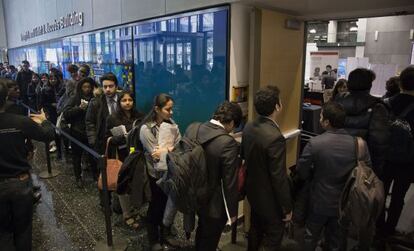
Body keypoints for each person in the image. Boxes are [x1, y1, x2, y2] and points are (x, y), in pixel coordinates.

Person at [296, 102, 372, 251]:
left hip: (319, 200)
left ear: (327, 122)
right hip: (345, 203)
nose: (319, 119)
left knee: (310, 237)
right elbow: (367, 170)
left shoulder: (315, 143)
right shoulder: (359, 144)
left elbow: (302, 171)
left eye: (321, 116)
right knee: (337, 240)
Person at [0, 79, 55, 251]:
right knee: (23, 230)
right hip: (19, 182)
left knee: (2, 232)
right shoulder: (19, 121)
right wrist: (44, 120)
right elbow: (48, 135)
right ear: (5, 97)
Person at [242, 86, 293, 250]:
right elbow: (279, 177)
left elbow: (245, 156)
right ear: (277, 106)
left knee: (255, 228)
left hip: (253, 192)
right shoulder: (275, 137)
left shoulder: (249, 126)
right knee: (273, 236)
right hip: (269, 199)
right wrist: (286, 208)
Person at [193, 101, 242, 251]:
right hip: (214, 203)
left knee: (201, 229)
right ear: (232, 122)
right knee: (211, 237)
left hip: (194, 192)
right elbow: (230, 182)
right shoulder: (228, 143)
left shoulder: (195, 128)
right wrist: (233, 213)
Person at [139, 93, 181, 250]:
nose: (171, 113)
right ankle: (153, 239)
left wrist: (166, 149)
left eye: (172, 109)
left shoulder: (171, 123)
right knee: (155, 207)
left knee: (168, 205)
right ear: (157, 109)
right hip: (155, 175)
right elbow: (155, 154)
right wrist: (170, 149)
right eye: (168, 109)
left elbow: (179, 144)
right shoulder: (146, 129)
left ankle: (165, 234)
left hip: (170, 172)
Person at [379, 66, 414, 237]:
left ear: (400, 83)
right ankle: (389, 231)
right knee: (398, 197)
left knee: (380, 193)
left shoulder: (386, 104)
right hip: (408, 161)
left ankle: (378, 228)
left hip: (385, 157)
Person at [335, 68, 390, 178]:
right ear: (369, 85)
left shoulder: (338, 100)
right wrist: (377, 171)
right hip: (362, 161)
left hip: (335, 154)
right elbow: (378, 142)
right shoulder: (377, 107)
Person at [105, 90, 144, 229]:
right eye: (124, 100)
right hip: (121, 154)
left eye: (130, 100)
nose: (127, 103)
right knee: (123, 184)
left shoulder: (139, 116)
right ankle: (127, 213)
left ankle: (135, 209)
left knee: (135, 183)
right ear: (119, 102)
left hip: (136, 154)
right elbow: (106, 138)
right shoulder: (112, 118)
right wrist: (123, 137)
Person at [63, 77, 98, 187]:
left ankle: (96, 176)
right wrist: (79, 108)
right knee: (77, 156)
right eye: (84, 87)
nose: (87, 89)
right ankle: (78, 177)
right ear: (80, 88)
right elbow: (66, 113)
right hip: (77, 132)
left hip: (91, 132)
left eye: (89, 87)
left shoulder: (95, 98)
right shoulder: (75, 98)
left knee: (93, 156)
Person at [86, 72, 120, 155]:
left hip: (120, 140)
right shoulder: (96, 102)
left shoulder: (123, 100)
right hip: (103, 142)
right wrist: (93, 142)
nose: (108, 89)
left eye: (111, 86)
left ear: (116, 86)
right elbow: (89, 122)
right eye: (105, 87)